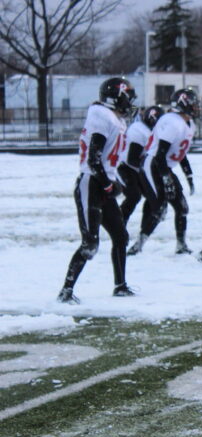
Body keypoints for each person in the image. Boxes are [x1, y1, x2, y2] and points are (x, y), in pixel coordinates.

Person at [56, 77, 136, 304]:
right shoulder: (101, 116)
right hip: (91, 183)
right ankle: (66, 291)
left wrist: (113, 180)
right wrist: (108, 183)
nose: (129, 101)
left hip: (101, 183)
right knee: (90, 245)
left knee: (121, 237)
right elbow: (94, 158)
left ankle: (120, 286)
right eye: (126, 96)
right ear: (115, 97)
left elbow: (109, 158)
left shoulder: (114, 118)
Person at [127, 88, 198, 256]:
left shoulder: (189, 124)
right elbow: (159, 154)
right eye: (193, 104)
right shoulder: (172, 122)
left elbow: (180, 153)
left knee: (182, 207)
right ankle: (137, 246)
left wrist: (189, 176)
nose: (196, 108)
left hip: (164, 166)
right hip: (152, 164)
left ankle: (181, 245)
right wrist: (166, 180)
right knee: (160, 208)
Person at [117, 106, 164, 224]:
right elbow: (131, 159)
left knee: (151, 194)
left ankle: (146, 224)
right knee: (134, 196)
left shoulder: (148, 130)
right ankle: (119, 222)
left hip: (136, 168)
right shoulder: (139, 131)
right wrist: (150, 169)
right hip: (124, 166)